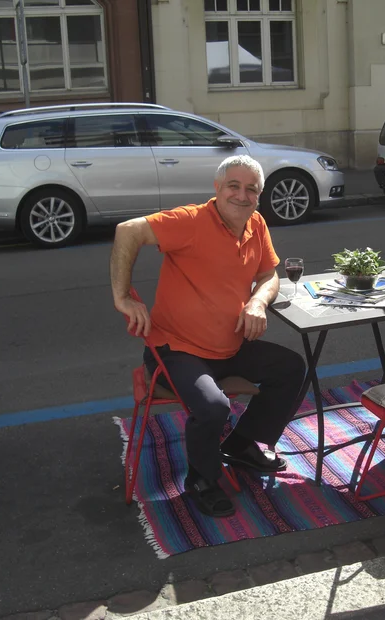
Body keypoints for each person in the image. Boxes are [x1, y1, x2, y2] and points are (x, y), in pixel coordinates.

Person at [110, 155, 306, 518]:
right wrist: (122, 297)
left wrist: (258, 303)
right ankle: (202, 478)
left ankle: (241, 444)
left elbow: (269, 275)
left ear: (258, 197)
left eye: (251, 189)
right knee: (214, 406)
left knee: (292, 368)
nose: (242, 195)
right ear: (217, 189)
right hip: (177, 349)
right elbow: (128, 231)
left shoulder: (256, 223)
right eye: (234, 185)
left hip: (229, 344)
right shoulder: (191, 220)